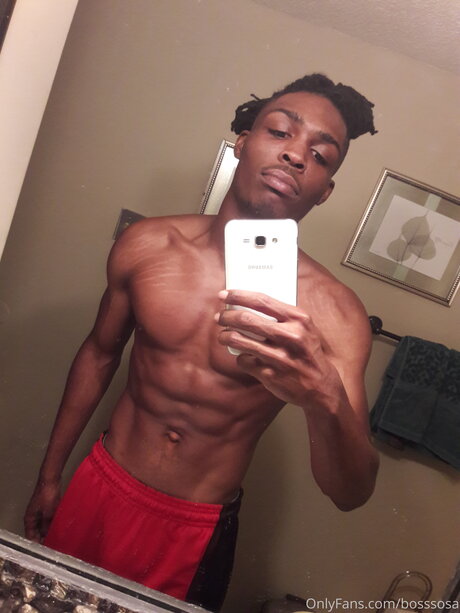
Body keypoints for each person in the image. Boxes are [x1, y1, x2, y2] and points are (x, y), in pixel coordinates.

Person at [24, 73, 380, 612]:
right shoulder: (148, 245)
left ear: (324, 190)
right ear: (241, 143)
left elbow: (351, 494)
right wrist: (50, 476)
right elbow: (99, 354)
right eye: (280, 132)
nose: (295, 155)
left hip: (196, 527)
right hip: (101, 483)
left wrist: (323, 394)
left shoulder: (336, 313)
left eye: (320, 156)